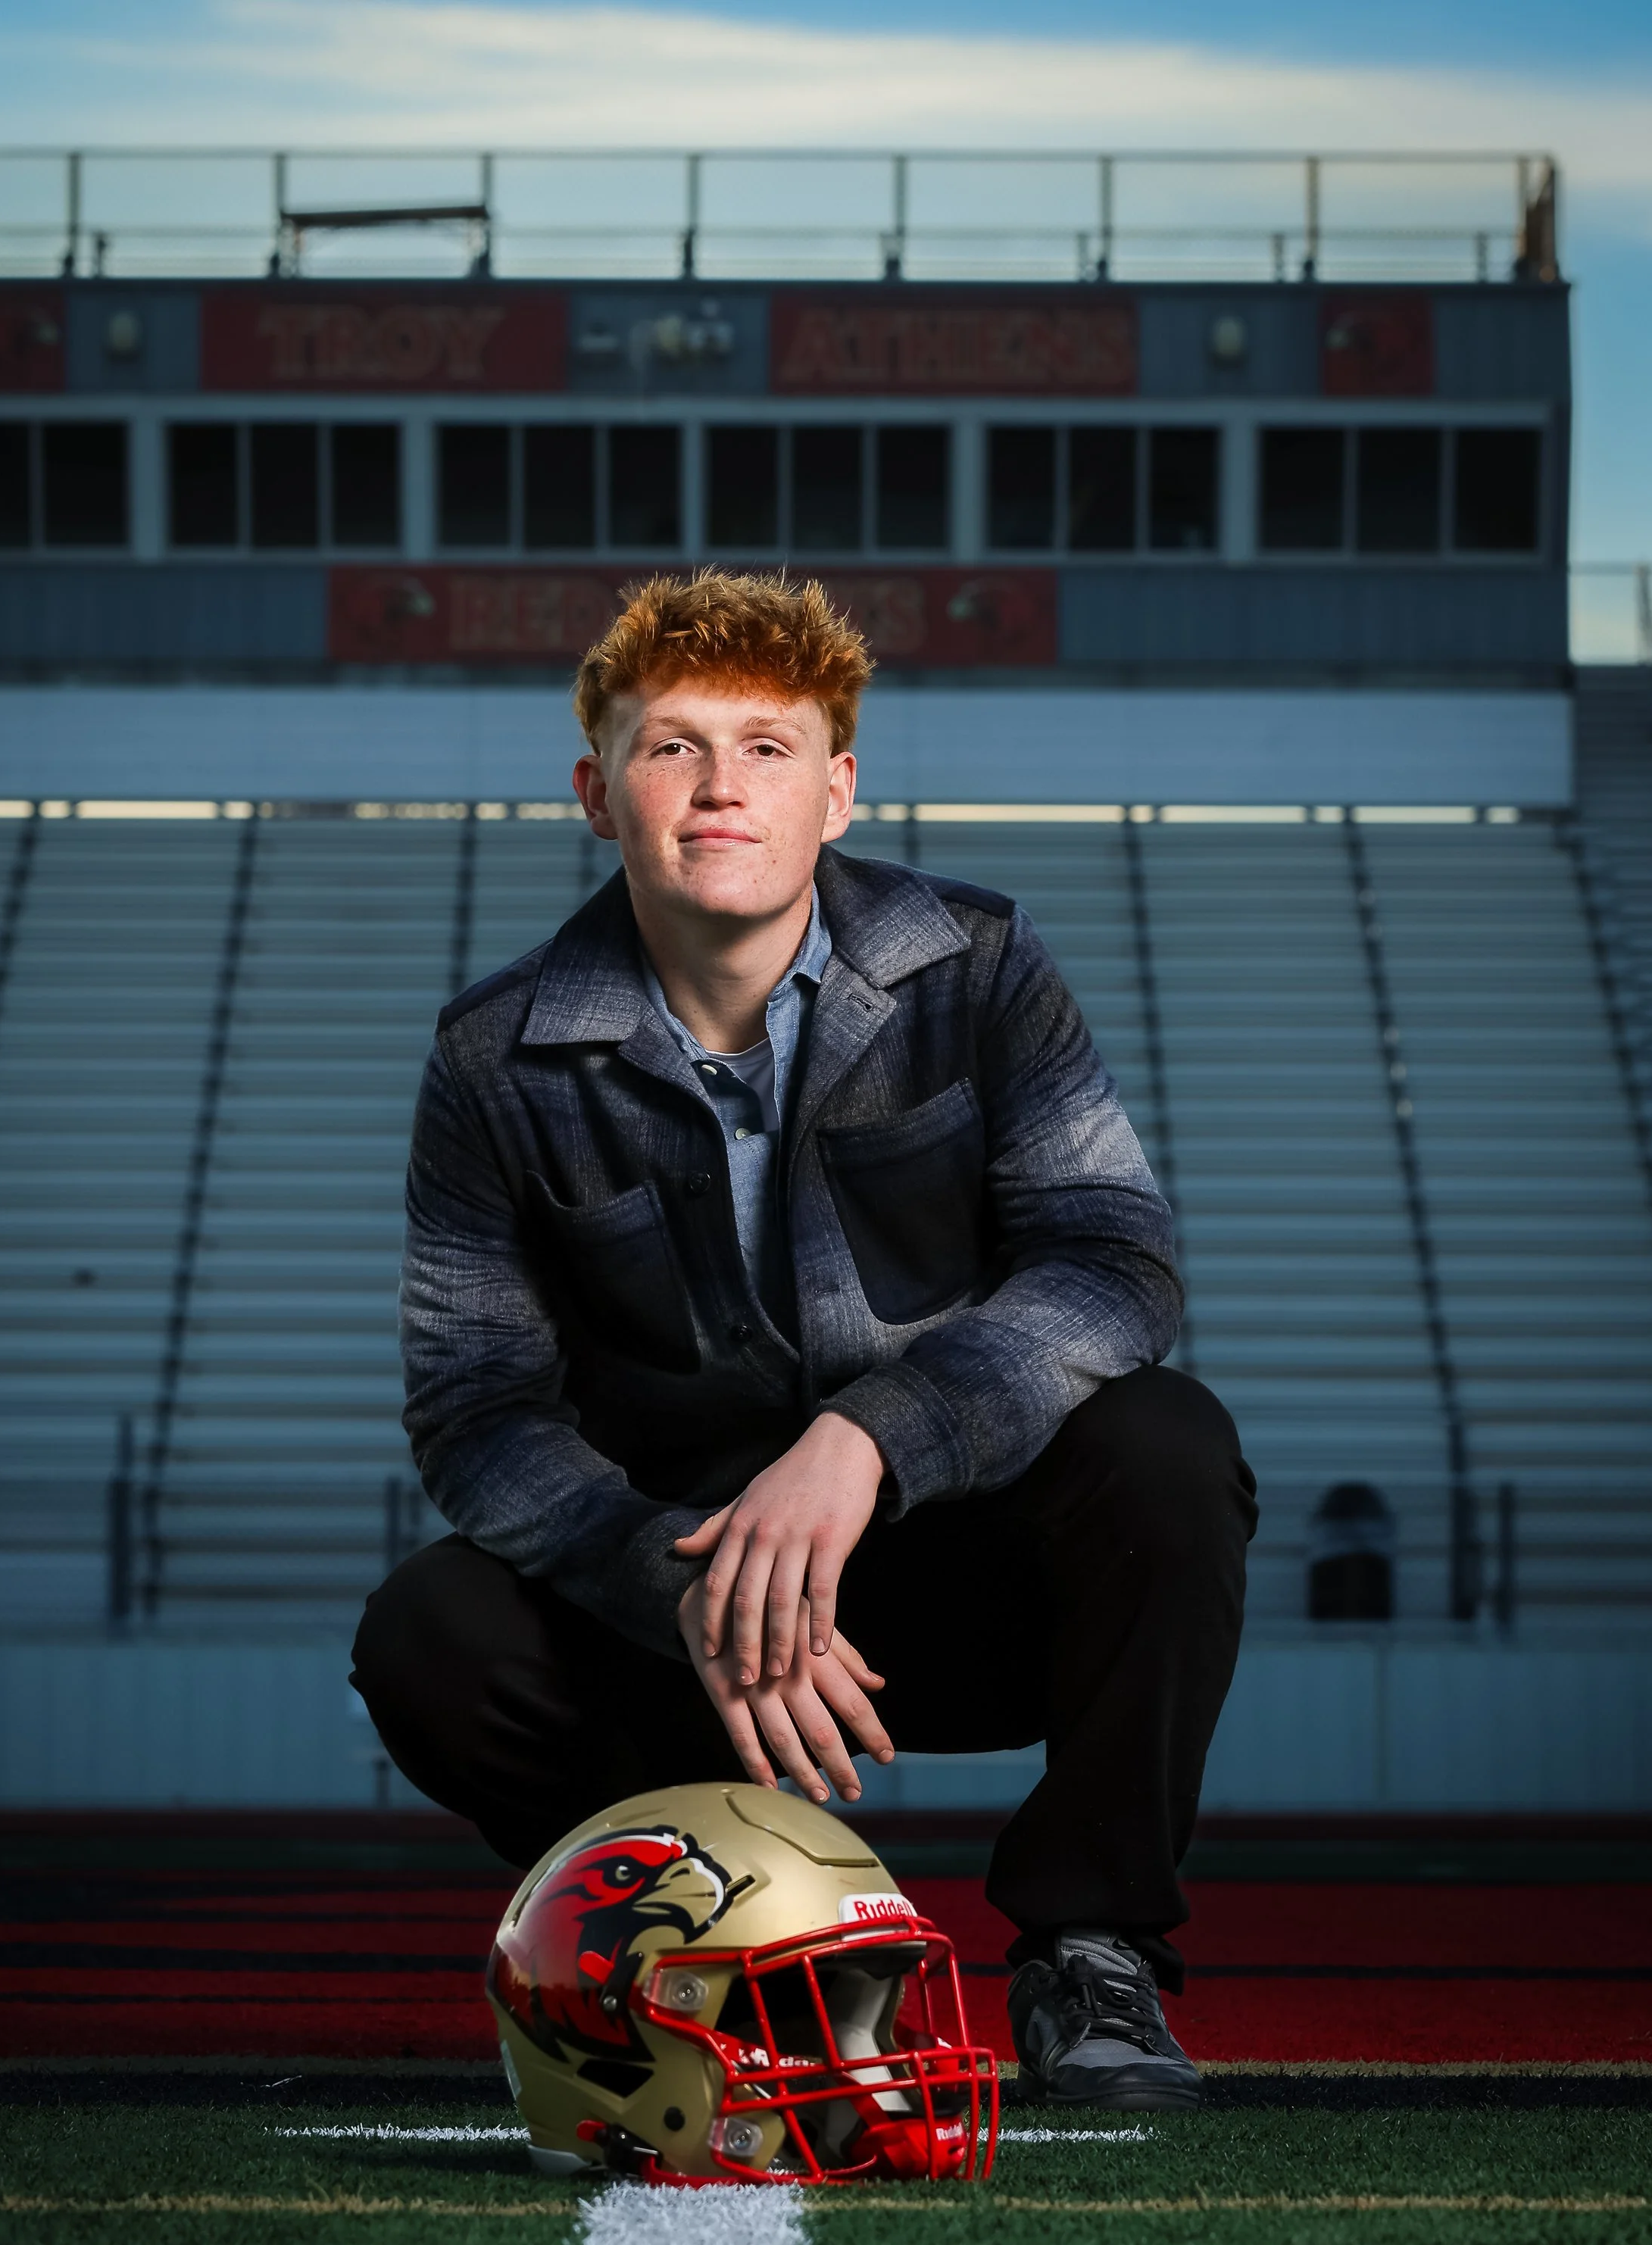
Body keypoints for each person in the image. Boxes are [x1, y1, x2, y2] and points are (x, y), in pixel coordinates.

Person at [352, 570, 1255, 2109]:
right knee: (431, 1638)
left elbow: (1113, 1263)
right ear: (594, 791)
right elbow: (476, 1408)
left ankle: (1089, 1943)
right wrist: (677, 1583)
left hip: (960, 1577)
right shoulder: (494, 1057)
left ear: (836, 790)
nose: (719, 784)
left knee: (1164, 1444)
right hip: (695, 1620)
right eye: (672, 746)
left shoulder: (974, 965)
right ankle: (766, 1931)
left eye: (767, 747)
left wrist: (866, 1440)